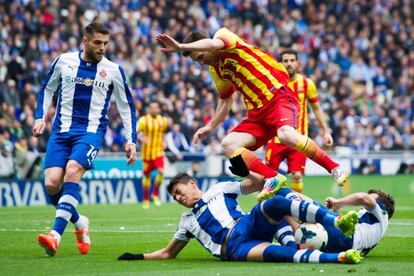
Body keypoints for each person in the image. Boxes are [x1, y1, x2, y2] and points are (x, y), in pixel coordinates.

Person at [156, 28, 349, 200]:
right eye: (196, 61)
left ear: (203, 46)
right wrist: (210, 126)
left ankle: (334, 167)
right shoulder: (216, 70)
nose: (201, 63)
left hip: (277, 94)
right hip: (257, 113)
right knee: (228, 144)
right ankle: (273, 178)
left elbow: (214, 43)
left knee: (286, 135)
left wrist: (180, 46)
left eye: (199, 57)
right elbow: (225, 100)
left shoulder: (223, 37)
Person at [33, 22, 137, 256]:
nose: (102, 47)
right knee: (51, 184)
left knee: (72, 171)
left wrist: (131, 140)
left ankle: (55, 236)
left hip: (90, 133)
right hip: (60, 132)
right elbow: (46, 89)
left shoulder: (113, 70)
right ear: (85, 41)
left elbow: (126, 106)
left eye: (106, 43)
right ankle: (80, 223)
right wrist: (40, 117)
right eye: (97, 43)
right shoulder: (64, 61)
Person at [117, 173, 362, 264]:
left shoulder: (220, 189)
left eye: (179, 192)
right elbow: (169, 253)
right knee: (277, 255)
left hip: (247, 223)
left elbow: (256, 184)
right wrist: (138, 256)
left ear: (192, 184)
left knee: (274, 201)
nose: (179, 198)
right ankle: (338, 258)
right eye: (175, 198)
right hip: (235, 246)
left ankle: (334, 221)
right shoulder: (186, 220)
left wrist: (244, 168)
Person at [265, 49, 333, 193]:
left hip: (298, 139)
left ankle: (296, 210)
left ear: (298, 63)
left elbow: (317, 109)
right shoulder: (274, 83)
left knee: (296, 175)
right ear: (280, 63)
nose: (289, 64)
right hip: (276, 138)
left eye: (292, 60)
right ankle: (268, 212)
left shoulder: (307, 84)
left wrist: (325, 131)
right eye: (285, 61)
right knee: (269, 178)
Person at [274, 187, 394, 256]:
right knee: (283, 214)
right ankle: (291, 246)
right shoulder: (374, 227)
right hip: (341, 249)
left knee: (282, 194)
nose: (365, 204)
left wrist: (338, 203)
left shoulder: (382, 214)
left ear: (382, 205)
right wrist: (332, 211)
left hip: (346, 237)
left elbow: (363, 198)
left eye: (372, 197)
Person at [137, 101, 169, 209]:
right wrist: (142, 138)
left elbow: (163, 133)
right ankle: (146, 199)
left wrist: (164, 142)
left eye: (156, 107)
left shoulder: (163, 121)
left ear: (159, 109)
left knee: (161, 172)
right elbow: (136, 133)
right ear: (149, 109)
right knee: (147, 176)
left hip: (158, 152)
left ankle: (155, 194)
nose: (154, 109)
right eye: (152, 108)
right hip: (146, 154)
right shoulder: (143, 120)